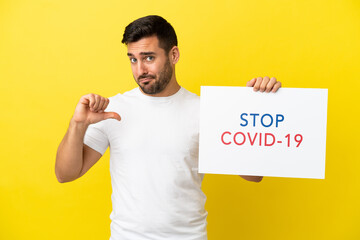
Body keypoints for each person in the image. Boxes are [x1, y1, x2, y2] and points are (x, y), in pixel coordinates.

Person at [55, 15, 281, 240]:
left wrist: (256, 107)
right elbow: (65, 174)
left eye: (149, 58)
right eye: (133, 59)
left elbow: (254, 176)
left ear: (174, 55)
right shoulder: (112, 110)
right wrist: (78, 125)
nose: (140, 69)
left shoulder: (206, 111)